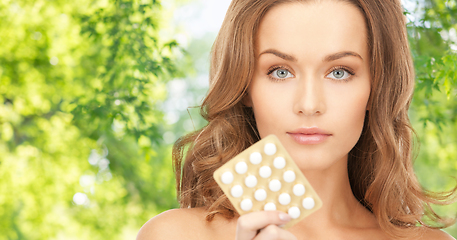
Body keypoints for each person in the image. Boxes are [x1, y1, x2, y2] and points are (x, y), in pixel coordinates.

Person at [137, 0, 456, 239]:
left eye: (340, 72)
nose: (308, 104)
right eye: (280, 72)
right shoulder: (175, 234)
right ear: (245, 86)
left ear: (377, 88)